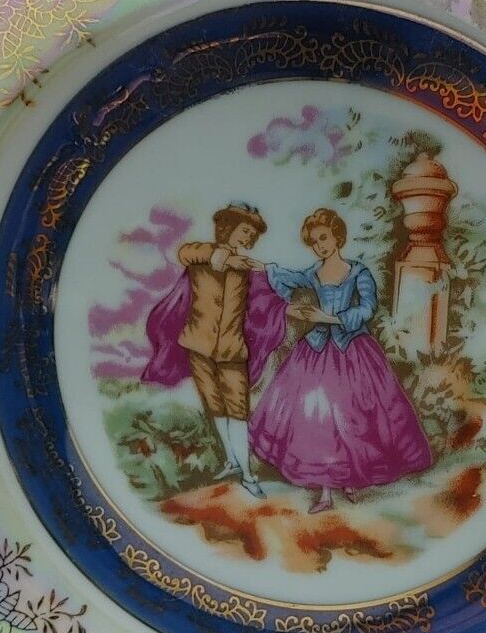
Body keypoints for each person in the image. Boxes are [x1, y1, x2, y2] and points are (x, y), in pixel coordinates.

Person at [250, 207, 432, 513]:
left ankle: (351, 477)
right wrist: (263, 268)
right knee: (318, 419)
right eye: (314, 242)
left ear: (337, 237)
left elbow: (368, 308)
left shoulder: (358, 272)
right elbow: (285, 279)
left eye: (323, 238)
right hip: (316, 349)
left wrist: (330, 318)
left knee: (353, 415)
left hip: (353, 349)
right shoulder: (312, 273)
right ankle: (325, 492)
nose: (320, 246)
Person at [141, 203, 287, 497]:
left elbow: (266, 299)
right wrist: (220, 256)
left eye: (251, 235)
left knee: (238, 411)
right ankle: (232, 461)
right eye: (244, 231)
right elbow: (185, 253)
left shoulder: (248, 269)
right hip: (198, 344)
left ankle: (247, 475)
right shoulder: (202, 254)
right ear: (228, 227)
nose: (248, 238)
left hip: (232, 350)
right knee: (215, 406)